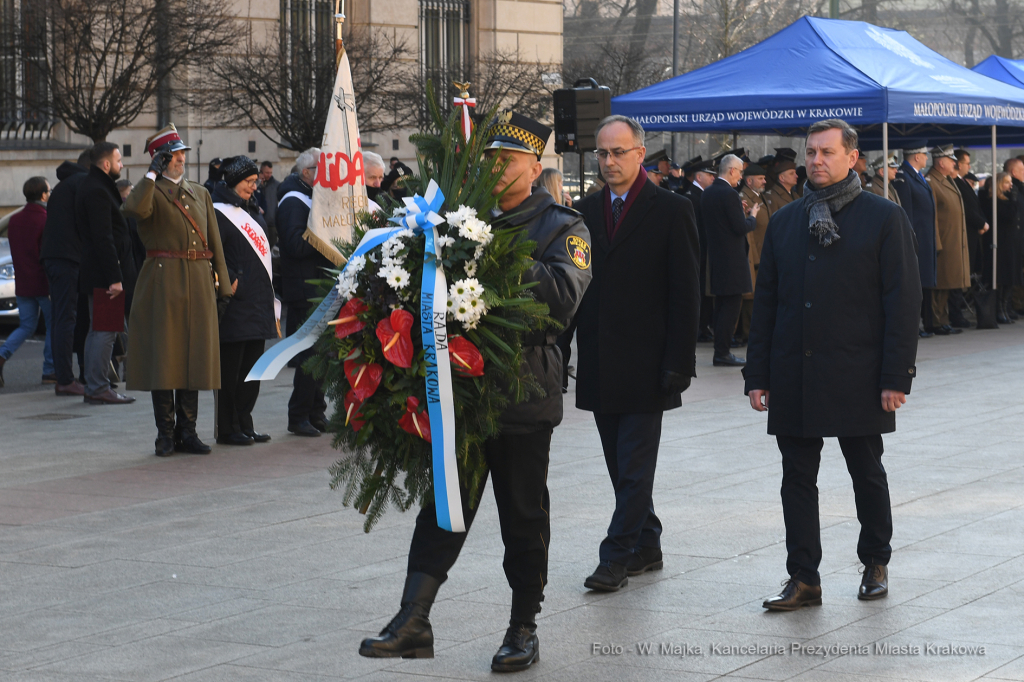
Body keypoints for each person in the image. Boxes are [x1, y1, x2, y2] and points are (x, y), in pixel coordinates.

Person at [358, 111, 592, 673]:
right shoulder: (456, 217)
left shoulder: (563, 226)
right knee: (444, 505)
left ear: (535, 168)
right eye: (488, 159)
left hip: (523, 391)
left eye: (507, 160)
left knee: (523, 515)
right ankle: (413, 617)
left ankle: (523, 626)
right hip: (458, 391)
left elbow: (562, 297)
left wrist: (492, 252)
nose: (495, 169)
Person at [745, 119, 921, 611]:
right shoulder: (786, 220)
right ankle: (803, 577)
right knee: (797, 478)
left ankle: (876, 562)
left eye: (826, 152)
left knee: (866, 470)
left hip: (857, 371)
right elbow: (767, 303)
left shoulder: (883, 217)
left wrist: (896, 376)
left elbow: (902, 302)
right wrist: (757, 374)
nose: (816, 160)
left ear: (851, 157)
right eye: (811, 152)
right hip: (795, 371)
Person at [572, 114, 700, 592]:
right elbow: (574, 287)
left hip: (649, 365)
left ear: (640, 154)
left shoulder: (672, 209)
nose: (608, 161)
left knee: (633, 465)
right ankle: (647, 542)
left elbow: (685, 292)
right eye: (602, 153)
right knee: (618, 464)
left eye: (618, 152)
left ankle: (616, 555)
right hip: (601, 361)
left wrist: (680, 362)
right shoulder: (583, 211)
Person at [124, 123, 233, 456]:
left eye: (182, 154)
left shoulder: (200, 192)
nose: (181, 160)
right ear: (160, 159)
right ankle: (166, 434)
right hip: (163, 281)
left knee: (194, 357)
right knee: (165, 359)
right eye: (173, 155)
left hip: (198, 280)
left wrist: (223, 285)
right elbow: (133, 210)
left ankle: (189, 431)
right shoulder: (150, 191)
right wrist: (150, 174)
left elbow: (213, 241)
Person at [211, 156, 278, 446]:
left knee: (252, 369)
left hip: (258, 300)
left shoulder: (250, 209)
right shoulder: (217, 211)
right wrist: (230, 279)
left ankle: (245, 422)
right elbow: (213, 252)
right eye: (249, 182)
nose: (254, 187)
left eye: (255, 182)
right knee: (231, 371)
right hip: (235, 303)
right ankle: (228, 428)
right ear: (233, 181)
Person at [76, 142, 137, 406]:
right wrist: (115, 278)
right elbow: (103, 237)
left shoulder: (96, 186)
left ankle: (95, 386)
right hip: (105, 274)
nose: (122, 164)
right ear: (106, 164)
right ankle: (98, 387)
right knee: (105, 331)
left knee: (98, 330)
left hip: (99, 271)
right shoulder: (98, 190)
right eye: (119, 160)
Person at [276, 147, 330, 437]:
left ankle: (316, 412)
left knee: (321, 355)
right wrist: (326, 234)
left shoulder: (308, 196)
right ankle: (298, 415)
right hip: (304, 288)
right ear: (307, 172)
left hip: (316, 286)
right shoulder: (293, 201)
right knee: (310, 356)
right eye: (323, 169)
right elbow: (295, 245)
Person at [40, 150, 92, 396]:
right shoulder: (82, 183)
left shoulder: (64, 186)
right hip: (68, 258)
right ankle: (65, 379)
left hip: (57, 257)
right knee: (66, 319)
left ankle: (66, 376)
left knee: (63, 318)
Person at [703, 154, 759, 367]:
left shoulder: (709, 193)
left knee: (720, 308)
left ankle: (720, 350)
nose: (741, 177)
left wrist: (738, 209)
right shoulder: (729, 194)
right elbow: (740, 227)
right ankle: (723, 353)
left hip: (717, 259)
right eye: (740, 172)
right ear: (732, 170)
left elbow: (722, 221)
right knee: (731, 309)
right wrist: (752, 216)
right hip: (732, 261)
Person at [0, 177, 54, 388]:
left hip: (23, 281)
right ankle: (50, 369)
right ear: (43, 195)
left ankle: (2, 355)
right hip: (43, 282)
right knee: (53, 325)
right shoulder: (46, 218)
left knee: (27, 326)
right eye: (49, 191)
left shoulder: (15, 219)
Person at [893, 142, 939, 338]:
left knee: (922, 283)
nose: (927, 158)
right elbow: (907, 212)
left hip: (925, 238)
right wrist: (910, 240)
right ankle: (913, 326)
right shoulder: (904, 177)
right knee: (914, 285)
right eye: (924, 154)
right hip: (916, 238)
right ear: (917, 156)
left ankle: (922, 324)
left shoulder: (917, 176)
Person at [925, 145, 970, 336]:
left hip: (952, 240)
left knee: (947, 283)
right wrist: (936, 242)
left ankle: (943, 320)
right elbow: (932, 215)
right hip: (943, 241)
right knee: (940, 284)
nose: (954, 164)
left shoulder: (946, 180)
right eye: (951, 161)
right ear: (941, 162)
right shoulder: (931, 182)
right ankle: (937, 321)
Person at [682, 159, 717, 342]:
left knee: (705, 292)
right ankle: (697, 328)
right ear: (698, 177)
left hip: (705, 253)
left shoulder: (703, 195)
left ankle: (702, 326)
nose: (713, 178)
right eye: (709, 175)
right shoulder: (691, 197)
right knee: (698, 292)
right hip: (698, 253)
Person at [737, 163, 771, 343]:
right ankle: (747, 334)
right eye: (760, 178)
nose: (764, 181)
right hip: (754, 255)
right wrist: (755, 257)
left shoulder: (759, 196)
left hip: (765, 252)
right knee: (750, 296)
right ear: (749, 181)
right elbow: (748, 233)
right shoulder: (744, 199)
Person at [981, 172, 1020, 323]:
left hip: (1010, 242)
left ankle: (1005, 307)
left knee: (1010, 276)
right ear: (999, 184)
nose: (1011, 185)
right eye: (1006, 182)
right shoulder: (992, 200)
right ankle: (999, 310)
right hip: (999, 242)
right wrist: (1014, 199)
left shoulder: (1007, 198)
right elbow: (1009, 215)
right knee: (1000, 276)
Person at [953, 150, 988, 285]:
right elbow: (964, 208)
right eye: (967, 163)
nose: (970, 166)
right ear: (959, 164)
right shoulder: (955, 182)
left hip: (974, 232)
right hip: (966, 232)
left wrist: (983, 222)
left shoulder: (964, 181)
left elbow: (976, 204)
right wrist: (981, 223)